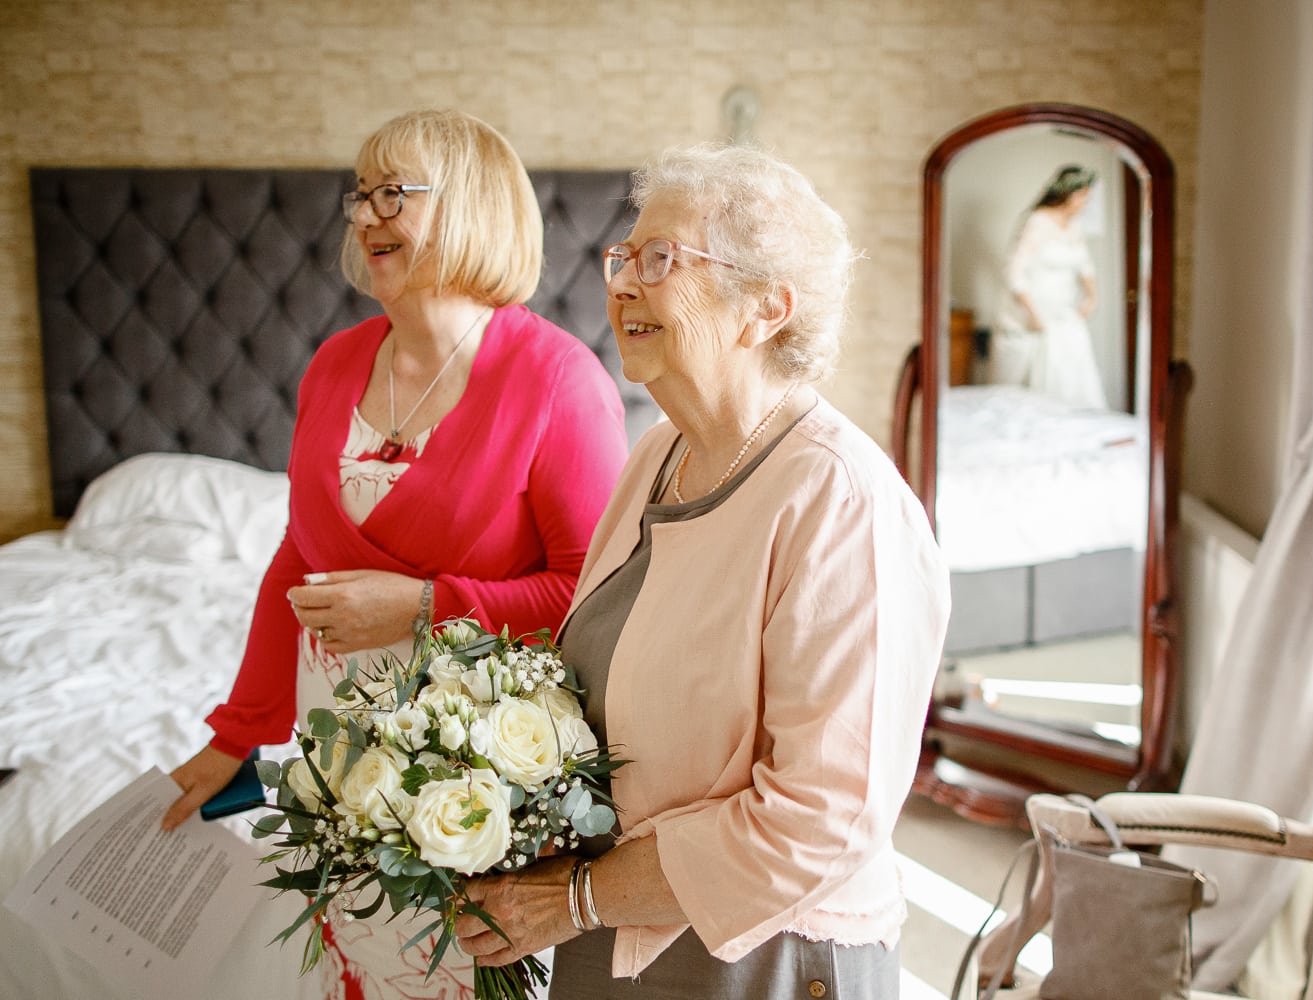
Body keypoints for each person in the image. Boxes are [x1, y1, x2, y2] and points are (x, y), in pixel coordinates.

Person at [454, 145, 951, 998]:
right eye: (623, 257)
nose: (622, 283)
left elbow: (820, 823)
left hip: (766, 956)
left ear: (766, 308)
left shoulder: (841, 503)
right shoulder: (660, 452)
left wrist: (575, 898)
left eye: (661, 260)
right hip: (620, 934)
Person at [162, 109, 629, 997]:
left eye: (393, 194)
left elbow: (591, 594)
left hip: (471, 756)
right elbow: (296, 562)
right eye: (359, 196)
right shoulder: (334, 365)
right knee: (355, 962)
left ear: (474, 210)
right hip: (333, 735)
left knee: (439, 973)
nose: (366, 216)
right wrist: (236, 738)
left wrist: (422, 606)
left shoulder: (557, 382)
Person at [995, 164, 1107, 408]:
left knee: (1076, 369)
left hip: (1064, 313)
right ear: (1069, 193)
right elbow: (1014, 273)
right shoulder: (1037, 221)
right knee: (1040, 380)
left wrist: (1091, 296)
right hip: (1036, 315)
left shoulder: (1075, 227)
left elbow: (1085, 266)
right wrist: (1032, 314)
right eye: (1083, 196)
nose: (1085, 203)